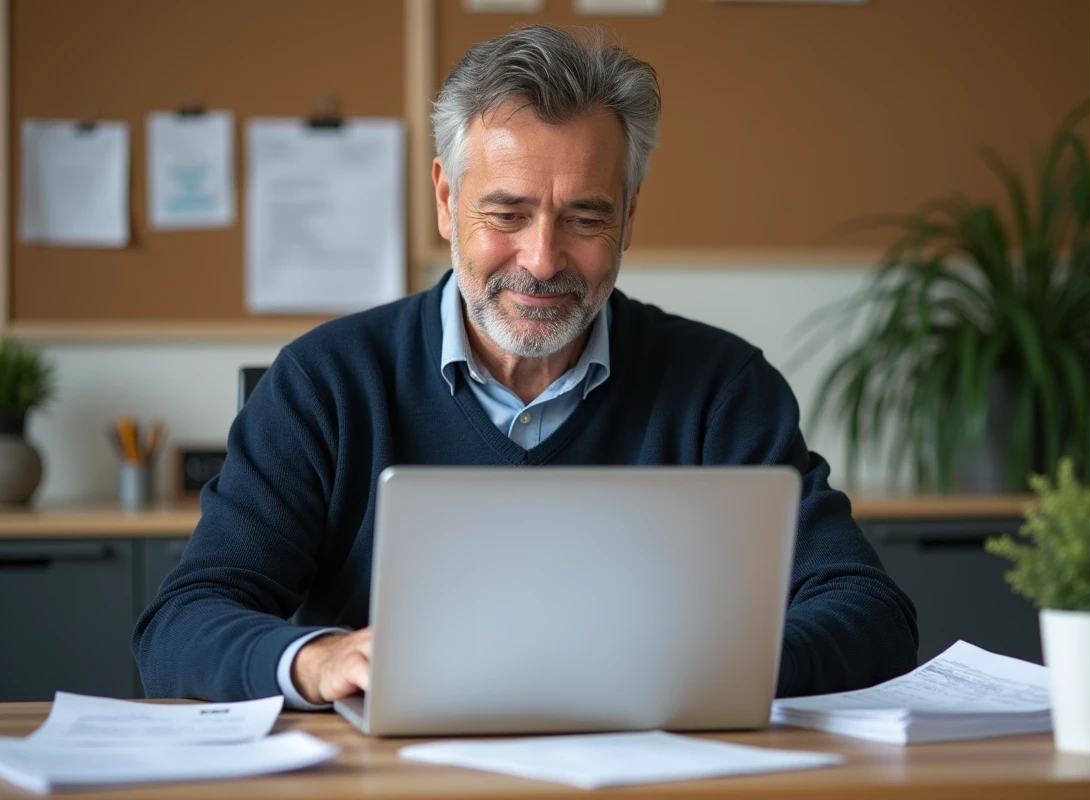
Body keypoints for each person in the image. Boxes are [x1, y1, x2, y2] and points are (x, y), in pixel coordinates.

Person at [133, 24, 918, 708]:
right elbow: (181, 623)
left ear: (629, 217)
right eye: (506, 214)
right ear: (446, 200)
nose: (542, 261)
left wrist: (717, 666)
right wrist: (317, 658)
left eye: (585, 217)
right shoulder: (324, 383)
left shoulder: (722, 389)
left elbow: (869, 611)